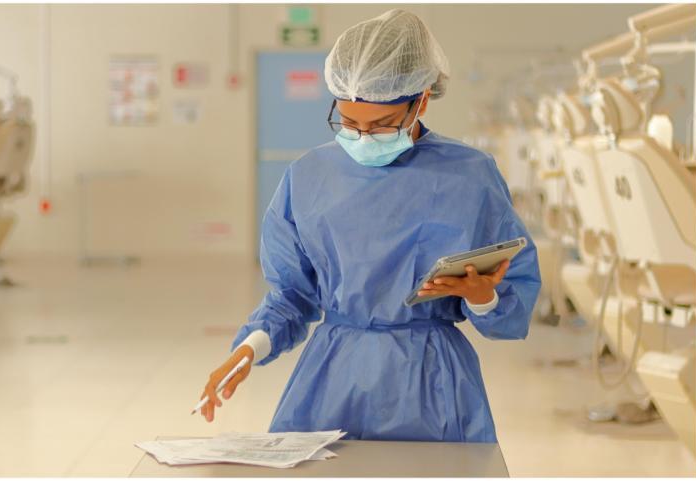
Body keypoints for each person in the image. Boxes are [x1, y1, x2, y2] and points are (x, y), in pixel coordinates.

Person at [198, 9, 541, 443]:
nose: (362, 138)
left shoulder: (470, 176)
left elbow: (514, 304)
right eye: (348, 123)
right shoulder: (310, 176)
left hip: (432, 382)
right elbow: (292, 295)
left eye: (381, 125)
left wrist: (483, 297)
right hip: (331, 376)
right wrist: (252, 348)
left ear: (421, 100)